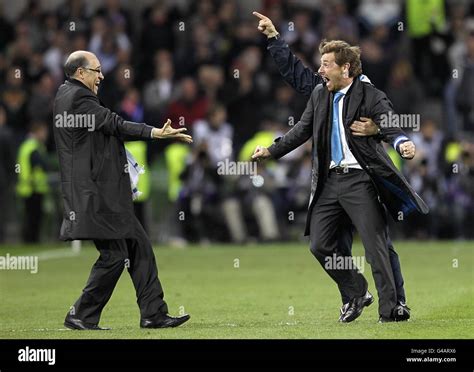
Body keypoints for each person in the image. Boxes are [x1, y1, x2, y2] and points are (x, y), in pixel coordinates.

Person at [252, 39, 429, 323]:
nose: (320, 69)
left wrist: (401, 143)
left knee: (376, 247)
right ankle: (356, 291)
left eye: (325, 64)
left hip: (361, 179)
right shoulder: (320, 93)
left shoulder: (369, 94)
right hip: (328, 180)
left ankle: (392, 310)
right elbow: (301, 129)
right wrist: (272, 151)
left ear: (345, 68)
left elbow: (390, 121)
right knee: (319, 245)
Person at [53, 50, 192, 330]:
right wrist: (155, 132)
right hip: (95, 196)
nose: (101, 76)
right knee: (115, 255)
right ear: (81, 73)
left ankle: (153, 313)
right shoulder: (78, 98)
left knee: (138, 245)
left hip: (99, 193)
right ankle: (80, 313)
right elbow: (113, 123)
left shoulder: (66, 96)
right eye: (97, 70)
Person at [16, 121, 50, 243]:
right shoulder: (34, 147)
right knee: (33, 218)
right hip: (33, 187)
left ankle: (29, 240)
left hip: (27, 187)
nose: (45, 134)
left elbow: (18, 167)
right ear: (38, 132)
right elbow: (43, 165)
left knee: (29, 217)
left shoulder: (25, 146)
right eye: (44, 131)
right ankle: (31, 241)